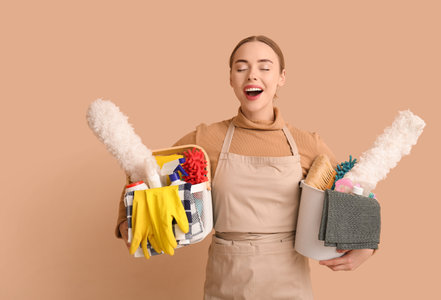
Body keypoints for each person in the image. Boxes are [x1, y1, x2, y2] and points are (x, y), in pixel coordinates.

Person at [115, 35, 375, 299]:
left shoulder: (307, 143)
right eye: (241, 68)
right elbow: (147, 173)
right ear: (231, 78)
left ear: (281, 77)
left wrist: (367, 246)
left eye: (264, 67)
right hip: (226, 281)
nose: (252, 75)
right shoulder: (206, 139)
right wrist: (127, 220)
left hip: (290, 283)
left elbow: (353, 190)